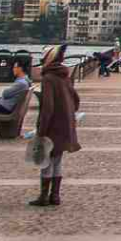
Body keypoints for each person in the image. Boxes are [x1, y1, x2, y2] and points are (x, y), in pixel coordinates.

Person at [31, 44, 80, 207]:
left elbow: (48, 107)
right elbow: (76, 98)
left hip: (52, 126)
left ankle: (44, 197)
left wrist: (41, 130)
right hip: (65, 124)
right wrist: (69, 113)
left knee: (46, 161)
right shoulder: (64, 75)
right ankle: (55, 196)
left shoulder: (48, 78)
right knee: (57, 160)